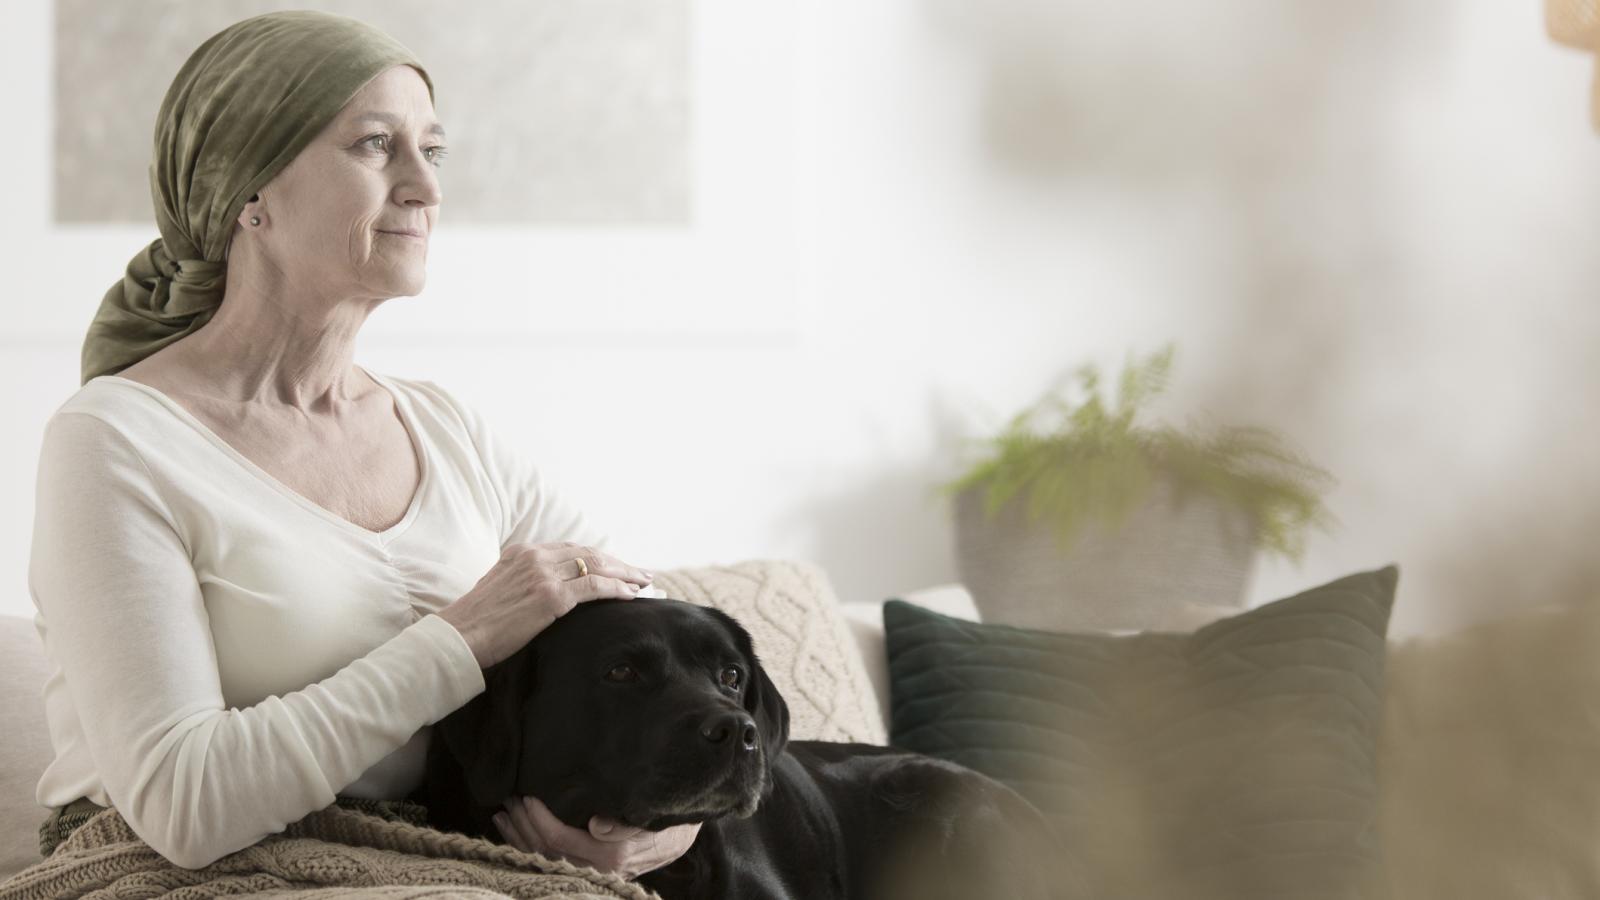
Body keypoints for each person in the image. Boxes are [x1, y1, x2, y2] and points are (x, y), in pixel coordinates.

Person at [28, 10, 700, 879]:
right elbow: (181, 807)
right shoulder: (113, 441)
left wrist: (663, 823)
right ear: (249, 190)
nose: (426, 186)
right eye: (375, 145)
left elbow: (668, 639)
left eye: (434, 149)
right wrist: (464, 638)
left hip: (434, 855)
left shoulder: (447, 429)